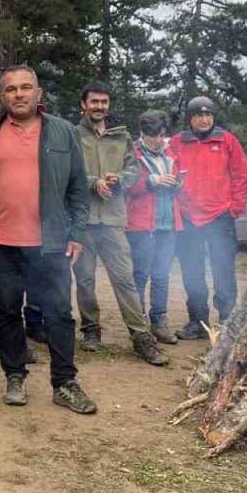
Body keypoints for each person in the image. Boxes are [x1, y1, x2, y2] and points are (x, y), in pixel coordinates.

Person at [0, 65, 96, 414]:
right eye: (11, 89)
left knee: (58, 312)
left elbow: (78, 187)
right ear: (2, 95)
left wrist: (77, 232)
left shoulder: (63, 131)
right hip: (0, 240)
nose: (19, 94)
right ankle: (14, 375)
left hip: (51, 241)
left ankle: (65, 382)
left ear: (38, 93)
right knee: (6, 311)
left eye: (25, 87)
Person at [72, 83, 167, 366]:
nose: (99, 106)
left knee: (125, 280)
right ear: (83, 104)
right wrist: (93, 182)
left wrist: (119, 179)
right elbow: (68, 172)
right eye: (94, 101)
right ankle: (91, 329)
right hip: (83, 219)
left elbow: (133, 170)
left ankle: (141, 338)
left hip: (113, 220)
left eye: (104, 102)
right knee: (85, 280)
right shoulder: (73, 135)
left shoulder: (121, 136)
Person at [170, 96, 247, 340]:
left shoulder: (227, 140)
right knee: (192, 270)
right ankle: (197, 322)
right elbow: (169, 173)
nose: (204, 120)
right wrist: (177, 206)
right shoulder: (177, 142)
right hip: (188, 217)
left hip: (219, 215)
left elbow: (241, 175)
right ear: (190, 119)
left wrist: (235, 208)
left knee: (223, 268)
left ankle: (227, 321)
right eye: (199, 115)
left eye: (208, 115)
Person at [126, 110, 182, 345]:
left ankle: (159, 322)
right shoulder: (132, 153)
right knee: (140, 275)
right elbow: (127, 185)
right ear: (142, 132)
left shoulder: (170, 153)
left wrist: (177, 183)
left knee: (161, 275)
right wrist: (152, 181)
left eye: (161, 135)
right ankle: (138, 326)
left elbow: (178, 184)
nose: (158, 140)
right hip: (142, 225)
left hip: (168, 223)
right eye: (153, 136)